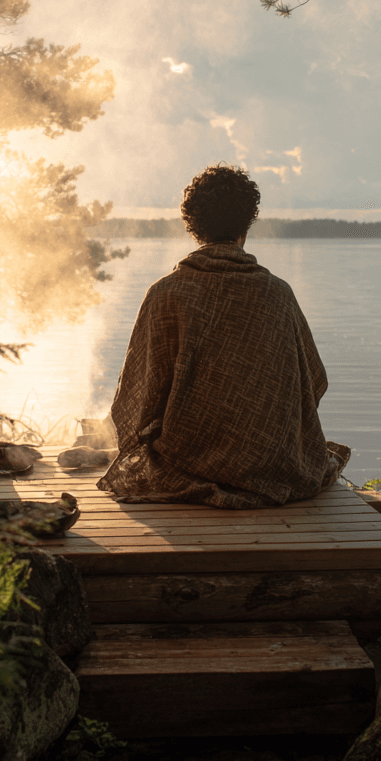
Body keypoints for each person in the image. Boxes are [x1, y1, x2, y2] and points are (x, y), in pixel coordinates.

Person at [97, 164, 350, 508]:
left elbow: (139, 396)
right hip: (273, 462)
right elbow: (313, 383)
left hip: (189, 463)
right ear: (247, 225)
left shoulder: (165, 294)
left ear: (193, 228)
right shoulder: (278, 293)